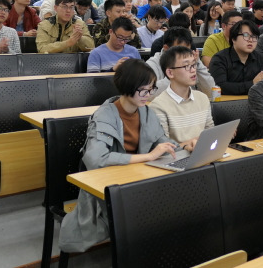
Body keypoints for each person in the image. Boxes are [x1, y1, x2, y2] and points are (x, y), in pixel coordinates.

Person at [59, 59, 176, 252]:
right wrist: (147, 157)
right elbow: (96, 159)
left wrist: (184, 146)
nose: (148, 95)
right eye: (143, 90)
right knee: (159, 209)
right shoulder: (104, 115)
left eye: (151, 89)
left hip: (136, 180)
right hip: (108, 186)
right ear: (127, 86)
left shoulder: (146, 113)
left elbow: (161, 142)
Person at [147, 45, 215, 150]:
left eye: (194, 64)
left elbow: (210, 132)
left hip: (204, 152)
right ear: (170, 73)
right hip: (178, 156)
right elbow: (164, 148)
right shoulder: (158, 106)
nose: (193, 70)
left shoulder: (202, 98)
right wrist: (190, 144)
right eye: (186, 66)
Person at [210, 20, 263, 95]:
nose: (251, 40)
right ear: (234, 39)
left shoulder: (260, 58)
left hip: (254, 100)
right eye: (246, 35)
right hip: (228, 101)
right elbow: (219, 86)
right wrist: (252, 83)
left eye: (254, 37)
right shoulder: (220, 59)